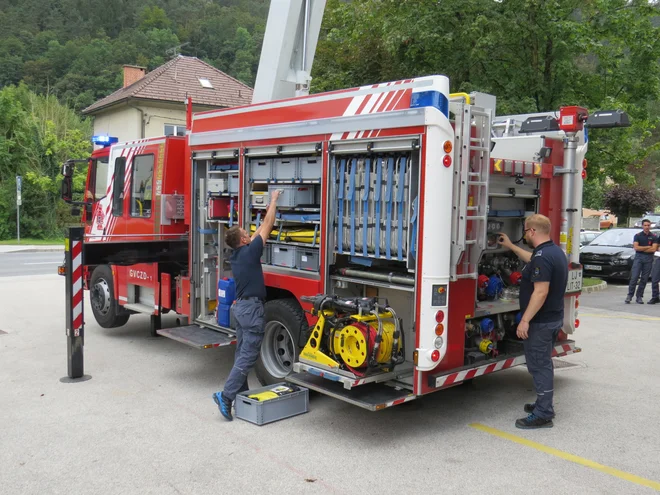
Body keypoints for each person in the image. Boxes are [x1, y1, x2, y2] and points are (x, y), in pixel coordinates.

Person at [213, 189, 281, 421]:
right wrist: (273, 201)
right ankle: (226, 396)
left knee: (242, 352)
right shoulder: (251, 252)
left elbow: (261, 229)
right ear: (244, 240)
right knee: (248, 356)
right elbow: (268, 225)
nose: (250, 234)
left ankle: (239, 396)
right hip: (250, 310)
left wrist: (263, 220)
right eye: (246, 233)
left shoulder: (239, 254)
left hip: (240, 308)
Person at [498, 214, 568, 429]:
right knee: (542, 363)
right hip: (552, 318)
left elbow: (540, 292)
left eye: (526, 231)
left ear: (532, 232)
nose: (525, 236)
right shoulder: (553, 252)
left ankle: (544, 414)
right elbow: (532, 259)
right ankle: (542, 403)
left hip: (541, 322)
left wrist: (525, 320)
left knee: (539, 366)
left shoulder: (543, 257)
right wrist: (511, 246)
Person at [625, 219, 658, 304]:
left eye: (648, 225)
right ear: (642, 226)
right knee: (634, 277)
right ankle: (629, 295)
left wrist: (642, 248)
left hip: (648, 259)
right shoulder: (638, 235)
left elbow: (653, 249)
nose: (647, 227)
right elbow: (636, 248)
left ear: (650, 226)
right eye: (645, 225)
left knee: (644, 279)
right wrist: (647, 247)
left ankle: (639, 296)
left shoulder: (654, 236)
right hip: (639, 258)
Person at [647, 237, 660, 305]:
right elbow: (656, 246)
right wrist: (658, 248)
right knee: (654, 279)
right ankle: (655, 297)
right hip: (658, 259)